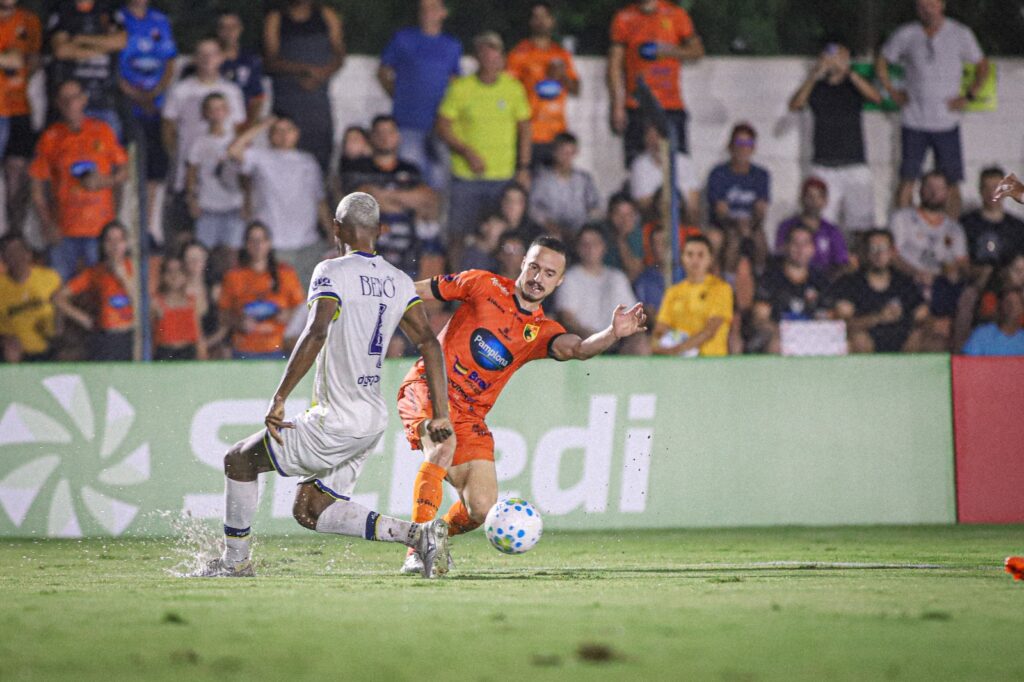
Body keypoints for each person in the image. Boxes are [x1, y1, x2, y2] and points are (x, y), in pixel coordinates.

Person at [193, 192, 455, 579]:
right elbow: (430, 343)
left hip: (338, 419)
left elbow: (315, 332)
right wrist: (442, 413)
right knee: (310, 510)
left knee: (239, 460)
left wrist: (279, 397)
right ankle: (418, 535)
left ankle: (235, 562)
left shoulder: (331, 271)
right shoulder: (399, 281)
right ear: (380, 231)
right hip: (370, 418)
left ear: (336, 228)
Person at [397, 236, 647, 575]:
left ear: (559, 281)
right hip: (429, 387)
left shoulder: (541, 330)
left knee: (482, 509)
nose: (537, 278)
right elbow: (412, 291)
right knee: (442, 445)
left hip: (471, 413)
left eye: (548, 273)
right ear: (522, 264)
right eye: (533, 267)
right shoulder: (481, 283)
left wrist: (612, 333)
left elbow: (578, 349)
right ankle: (418, 549)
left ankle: (434, 536)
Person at [876, 0, 988, 216]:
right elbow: (882, 60)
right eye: (922, 5)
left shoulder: (960, 33)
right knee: (908, 178)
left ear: (942, 5)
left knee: (952, 182)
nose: (927, 9)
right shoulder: (906, 34)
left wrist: (969, 95)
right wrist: (891, 90)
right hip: (914, 121)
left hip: (947, 122)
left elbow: (981, 65)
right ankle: (903, 231)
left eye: (932, 4)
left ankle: (951, 234)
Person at [437, 31, 531, 257]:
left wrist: (524, 167)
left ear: (502, 57)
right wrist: (466, 151)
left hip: (503, 176)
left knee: (504, 235)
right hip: (466, 177)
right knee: (459, 234)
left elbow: (525, 128)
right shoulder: (460, 87)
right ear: (477, 57)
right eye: (484, 52)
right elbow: (442, 125)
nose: (489, 57)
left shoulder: (513, 88)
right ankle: (455, 286)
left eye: (494, 52)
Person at [30, 79, 128, 282]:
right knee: (59, 285)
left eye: (73, 98)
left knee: (99, 287)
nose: (69, 103)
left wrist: (105, 182)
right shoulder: (50, 137)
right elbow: (37, 186)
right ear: (57, 103)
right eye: (63, 99)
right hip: (63, 229)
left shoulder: (103, 130)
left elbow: (124, 170)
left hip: (99, 229)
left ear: (83, 100)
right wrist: (46, 224)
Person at [787, 40, 881, 233]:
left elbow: (876, 98)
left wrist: (848, 71)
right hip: (823, 165)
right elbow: (795, 105)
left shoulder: (853, 85)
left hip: (855, 164)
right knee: (819, 223)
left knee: (862, 224)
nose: (833, 60)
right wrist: (814, 74)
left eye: (838, 55)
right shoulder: (817, 87)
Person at [229, 116, 332, 288]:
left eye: (289, 130)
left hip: (308, 243)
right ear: (270, 135)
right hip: (274, 243)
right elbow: (233, 150)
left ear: (297, 134)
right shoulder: (260, 156)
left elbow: (319, 201)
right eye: (278, 131)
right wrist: (261, 125)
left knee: (309, 300)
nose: (284, 135)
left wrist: (330, 232)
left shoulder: (309, 161)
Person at [162, 37, 245, 237]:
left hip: (223, 179)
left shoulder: (231, 91)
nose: (208, 59)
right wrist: (180, 158)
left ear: (221, 58)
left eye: (213, 54)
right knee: (186, 237)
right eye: (202, 54)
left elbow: (238, 130)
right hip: (188, 177)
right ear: (194, 59)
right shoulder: (181, 90)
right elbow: (168, 129)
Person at [341, 114, 440, 279]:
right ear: (371, 137)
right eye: (379, 133)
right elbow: (359, 201)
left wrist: (381, 194)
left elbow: (427, 200)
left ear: (397, 136)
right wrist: (405, 200)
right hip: (371, 244)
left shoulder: (410, 169)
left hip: (407, 244)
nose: (384, 137)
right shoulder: (358, 167)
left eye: (389, 132)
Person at [377, 0, 461, 191]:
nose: (426, 13)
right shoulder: (402, 39)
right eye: (423, 8)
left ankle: (432, 221)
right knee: (409, 180)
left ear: (443, 13)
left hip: (440, 127)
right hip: (407, 124)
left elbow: (455, 81)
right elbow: (383, 72)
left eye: (432, 8)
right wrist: (398, 95)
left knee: (440, 182)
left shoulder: (452, 45)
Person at [607, 0, 703, 165]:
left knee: (678, 164)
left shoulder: (676, 14)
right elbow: (614, 66)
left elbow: (697, 52)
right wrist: (617, 105)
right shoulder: (624, 17)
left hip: (670, 105)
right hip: (637, 105)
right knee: (637, 164)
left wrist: (669, 51)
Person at [263, 0, 345, 171]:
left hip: (317, 100)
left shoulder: (327, 15)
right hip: (287, 99)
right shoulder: (276, 18)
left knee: (320, 154)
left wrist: (321, 74)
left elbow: (339, 54)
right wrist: (304, 70)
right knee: (282, 154)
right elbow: (270, 61)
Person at [117, 0, 176, 228]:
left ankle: (146, 227)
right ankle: (119, 226)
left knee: (153, 170)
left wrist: (155, 93)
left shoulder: (160, 21)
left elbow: (170, 61)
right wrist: (135, 95)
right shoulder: (116, 18)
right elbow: (113, 62)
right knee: (122, 166)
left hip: (156, 106)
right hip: (125, 106)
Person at [888, 171, 968, 330]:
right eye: (929, 187)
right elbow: (892, 255)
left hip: (941, 285)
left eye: (939, 188)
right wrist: (916, 273)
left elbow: (963, 264)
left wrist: (952, 269)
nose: (933, 192)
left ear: (947, 193)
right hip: (907, 281)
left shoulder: (954, 228)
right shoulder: (902, 218)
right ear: (920, 190)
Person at [826, 228, 928, 353]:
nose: (879, 254)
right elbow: (843, 325)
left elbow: (923, 316)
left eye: (884, 248)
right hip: (866, 343)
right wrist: (878, 318)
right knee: (859, 339)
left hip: (902, 341)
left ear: (892, 252)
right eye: (873, 248)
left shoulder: (904, 282)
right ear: (866, 252)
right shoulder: (850, 283)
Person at [507, 1, 579, 168]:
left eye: (545, 17)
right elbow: (508, 92)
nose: (541, 21)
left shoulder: (561, 53)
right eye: (536, 17)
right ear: (530, 21)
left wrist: (563, 76)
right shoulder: (519, 53)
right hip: (530, 134)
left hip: (557, 134)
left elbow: (576, 90)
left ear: (552, 21)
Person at [217, 222, 304, 360]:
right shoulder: (233, 276)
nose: (258, 245)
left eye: (262, 240)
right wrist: (238, 322)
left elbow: (302, 308)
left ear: (269, 243)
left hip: (280, 348)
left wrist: (289, 315)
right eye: (253, 240)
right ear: (246, 244)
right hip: (244, 349)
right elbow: (223, 314)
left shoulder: (286, 273)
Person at [53, 221, 136, 361]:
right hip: (104, 337)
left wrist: (123, 278)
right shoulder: (95, 272)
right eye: (110, 240)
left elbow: (140, 304)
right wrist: (84, 319)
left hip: (128, 335)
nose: (115, 245)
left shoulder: (135, 267)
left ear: (125, 243)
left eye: (119, 240)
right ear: (103, 245)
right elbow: (57, 297)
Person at [46, 0, 127, 137]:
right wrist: (104, 47)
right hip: (71, 104)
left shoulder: (109, 7)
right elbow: (62, 50)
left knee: (106, 153)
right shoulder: (62, 8)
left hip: (104, 101)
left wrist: (80, 39)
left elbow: (120, 41)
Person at [749, 225, 829, 354]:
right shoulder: (770, 279)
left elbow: (827, 316)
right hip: (779, 337)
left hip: (812, 337)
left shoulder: (820, 281)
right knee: (777, 345)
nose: (800, 249)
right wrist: (789, 333)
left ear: (813, 249)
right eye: (795, 243)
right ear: (785, 247)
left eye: (805, 243)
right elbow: (760, 319)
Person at [650, 235, 733, 357]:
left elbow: (710, 330)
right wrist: (658, 345)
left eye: (700, 255)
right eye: (689, 254)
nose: (695, 260)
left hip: (711, 360)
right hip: (678, 363)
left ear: (710, 259)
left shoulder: (721, 289)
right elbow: (660, 328)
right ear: (682, 258)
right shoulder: (673, 292)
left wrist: (679, 349)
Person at [555, 226, 638, 344]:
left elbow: (631, 314)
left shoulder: (617, 277)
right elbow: (566, 317)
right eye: (585, 244)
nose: (590, 248)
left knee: (640, 343)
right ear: (577, 248)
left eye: (595, 243)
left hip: (618, 340)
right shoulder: (570, 277)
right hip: (583, 340)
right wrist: (593, 337)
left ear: (604, 247)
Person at [0, 0, 42, 234]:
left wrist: (13, 59)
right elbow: (14, 59)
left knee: (18, 174)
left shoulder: (29, 21)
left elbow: (27, 60)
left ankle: (14, 235)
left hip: (19, 108)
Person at [706, 122, 770, 274]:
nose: (743, 147)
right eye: (739, 142)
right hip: (724, 224)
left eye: (748, 143)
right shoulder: (718, 173)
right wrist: (737, 224)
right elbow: (720, 211)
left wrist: (749, 225)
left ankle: (760, 280)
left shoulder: (761, 175)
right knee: (728, 238)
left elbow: (761, 209)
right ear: (730, 146)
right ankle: (727, 283)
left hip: (751, 224)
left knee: (760, 240)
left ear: (753, 148)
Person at [185, 93, 245, 251]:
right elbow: (191, 173)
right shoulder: (199, 142)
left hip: (233, 205)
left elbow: (246, 175)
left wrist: (248, 203)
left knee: (231, 252)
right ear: (205, 113)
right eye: (211, 109)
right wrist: (192, 200)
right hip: (207, 206)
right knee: (204, 251)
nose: (216, 113)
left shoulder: (237, 141)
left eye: (220, 108)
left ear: (227, 111)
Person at [527, 132, 601, 240]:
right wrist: (551, 225)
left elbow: (595, 205)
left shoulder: (584, 179)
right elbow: (533, 208)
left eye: (570, 153)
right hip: (552, 230)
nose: (567, 158)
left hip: (580, 231)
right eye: (563, 153)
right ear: (554, 152)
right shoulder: (542, 179)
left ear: (576, 152)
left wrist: (587, 225)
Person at [0, 233, 60, 362]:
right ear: (3, 259)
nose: (16, 257)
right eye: (9, 252)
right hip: (15, 351)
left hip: (50, 344)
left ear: (28, 254)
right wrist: (4, 340)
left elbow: (64, 307)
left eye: (18, 250)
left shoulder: (50, 277)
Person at [774, 177, 849, 278]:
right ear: (801, 199)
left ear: (825, 201)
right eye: (809, 196)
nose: (814, 201)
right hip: (792, 281)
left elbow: (841, 263)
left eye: (819, 196)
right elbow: (780, 257)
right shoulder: (787, 226)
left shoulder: (832, 231)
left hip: (824, 283)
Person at [629, 118, 700, 224]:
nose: (655, 141)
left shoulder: (684, 162)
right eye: (650, 137)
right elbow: (642, 203)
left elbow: (693, 202)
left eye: (658, 136)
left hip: (682, 219)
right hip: (653, 221)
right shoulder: (639, 165)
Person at [959, 167, 1024, 270]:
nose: (991, 193)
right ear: (980, 190)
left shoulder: (1018, 227)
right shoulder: (966, 224)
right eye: (987, 188)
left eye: (995, 187)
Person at [216, 11, 266, 129]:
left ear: (240, 29)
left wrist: (248, 126)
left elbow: (257, 97)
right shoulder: (209, 60)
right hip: (213, 121)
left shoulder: (251, 61)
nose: (229, 32)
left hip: (241, 122)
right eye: (224, 27)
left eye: (233, 27)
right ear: (218, 30)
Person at [152, 256, 205, 360]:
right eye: (169, 271)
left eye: (178, 271)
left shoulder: (193, 301)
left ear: (185, 275)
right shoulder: (155, 302)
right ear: (163, 276)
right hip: (165, 355)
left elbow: (199, 336)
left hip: (189, 354)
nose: (174, 276)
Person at [962, 289, 1024, 356]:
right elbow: (968, 363)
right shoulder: (981, 335)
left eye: (1017, 303)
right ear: (1000, 305)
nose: (1012, 308)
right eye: (1008, 303)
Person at [602, 193, 644, 282]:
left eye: (629, 215)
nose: (624, 220)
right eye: (618, 214)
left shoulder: (637, 235)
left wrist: (621, 240)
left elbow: (634, 271)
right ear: (609, 215)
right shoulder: (599, 231)